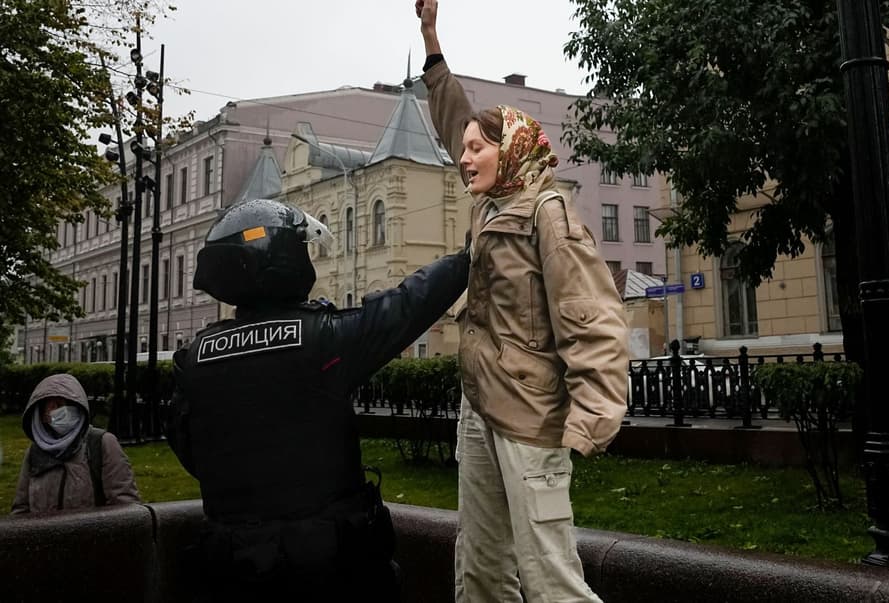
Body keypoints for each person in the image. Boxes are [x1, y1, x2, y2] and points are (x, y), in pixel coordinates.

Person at [417, 2, 629, 601]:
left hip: (532, 421)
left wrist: (590, 420)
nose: (464, 157)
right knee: (480, 571)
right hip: (479, 409)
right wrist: (432, 42)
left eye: (477, 150)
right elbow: (455, 116)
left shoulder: (547, 212)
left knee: (549, 578)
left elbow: (595, 317)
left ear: (509, 151)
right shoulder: (490, 201)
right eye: (464, 150)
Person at [166, 198, 469, 602]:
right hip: (329, 566)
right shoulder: (321, 339)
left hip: (233, 564)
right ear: (284, 258)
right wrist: (467, 259)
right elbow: (407, 306)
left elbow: (185, 443)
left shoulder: (195, 358)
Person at [12, 373, 141, 514]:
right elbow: (21, 510)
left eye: (68, 404)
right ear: (42, 415)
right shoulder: (35, 452)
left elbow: (125, 508)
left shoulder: (101, 443)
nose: (63, 411)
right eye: (55, 405)